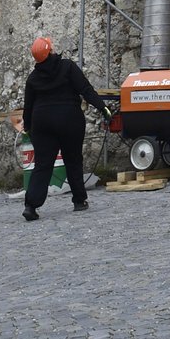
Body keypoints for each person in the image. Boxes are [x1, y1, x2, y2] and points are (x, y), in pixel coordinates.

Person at [19, 36, 111, 221]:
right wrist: (103, 108)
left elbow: (28, 107)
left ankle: (31, 206)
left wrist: (28, 126)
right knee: (73, 159)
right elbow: (85, 89)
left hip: (42, 124)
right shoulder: (67, 67)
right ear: (50, 50)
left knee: (43, 165)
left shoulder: (33, 78)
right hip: (69, 120)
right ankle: (79, 200)